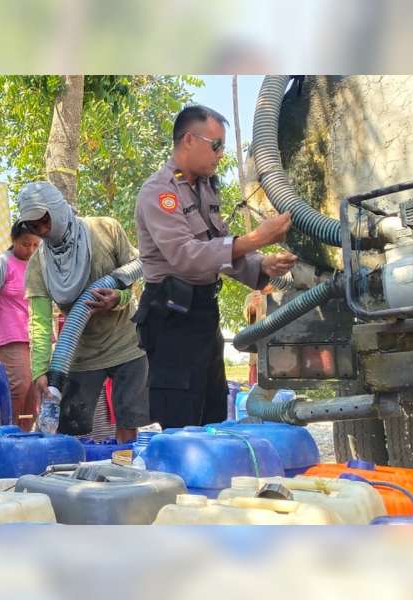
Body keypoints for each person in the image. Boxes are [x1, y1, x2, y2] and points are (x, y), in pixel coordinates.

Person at [133, 104, 297, 428]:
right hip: (171, 318)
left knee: (212, 414)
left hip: (203, 314)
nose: (221, 154)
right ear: (190, 140)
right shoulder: (160, 192)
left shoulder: (205, 188)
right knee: (178, 419)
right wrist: (256, 239)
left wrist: (261, 263)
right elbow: (187, 255)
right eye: (216, 145)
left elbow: (218, 245)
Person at [20, 181, 147, 443]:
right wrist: (41, 372)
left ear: (57, 210)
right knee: (71, 428)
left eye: (46, 221)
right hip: (81, 352)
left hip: (126, 344)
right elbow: (40, 322)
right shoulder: (38, 265)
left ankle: (129, 477)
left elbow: (137, 269)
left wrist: (118, 297)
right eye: (34, 227)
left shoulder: (105, 230)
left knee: (128, 421)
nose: (44, 230)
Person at [0, 221, 41, 430]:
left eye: (35, 245)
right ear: (13, 240)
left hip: (38, 336)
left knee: (35, 390)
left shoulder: (39, 264)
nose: (30, 249)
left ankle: (25, 436)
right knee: (19, 387)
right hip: (10, 337)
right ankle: (8, 432)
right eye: (25, 244)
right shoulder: (1, 264)